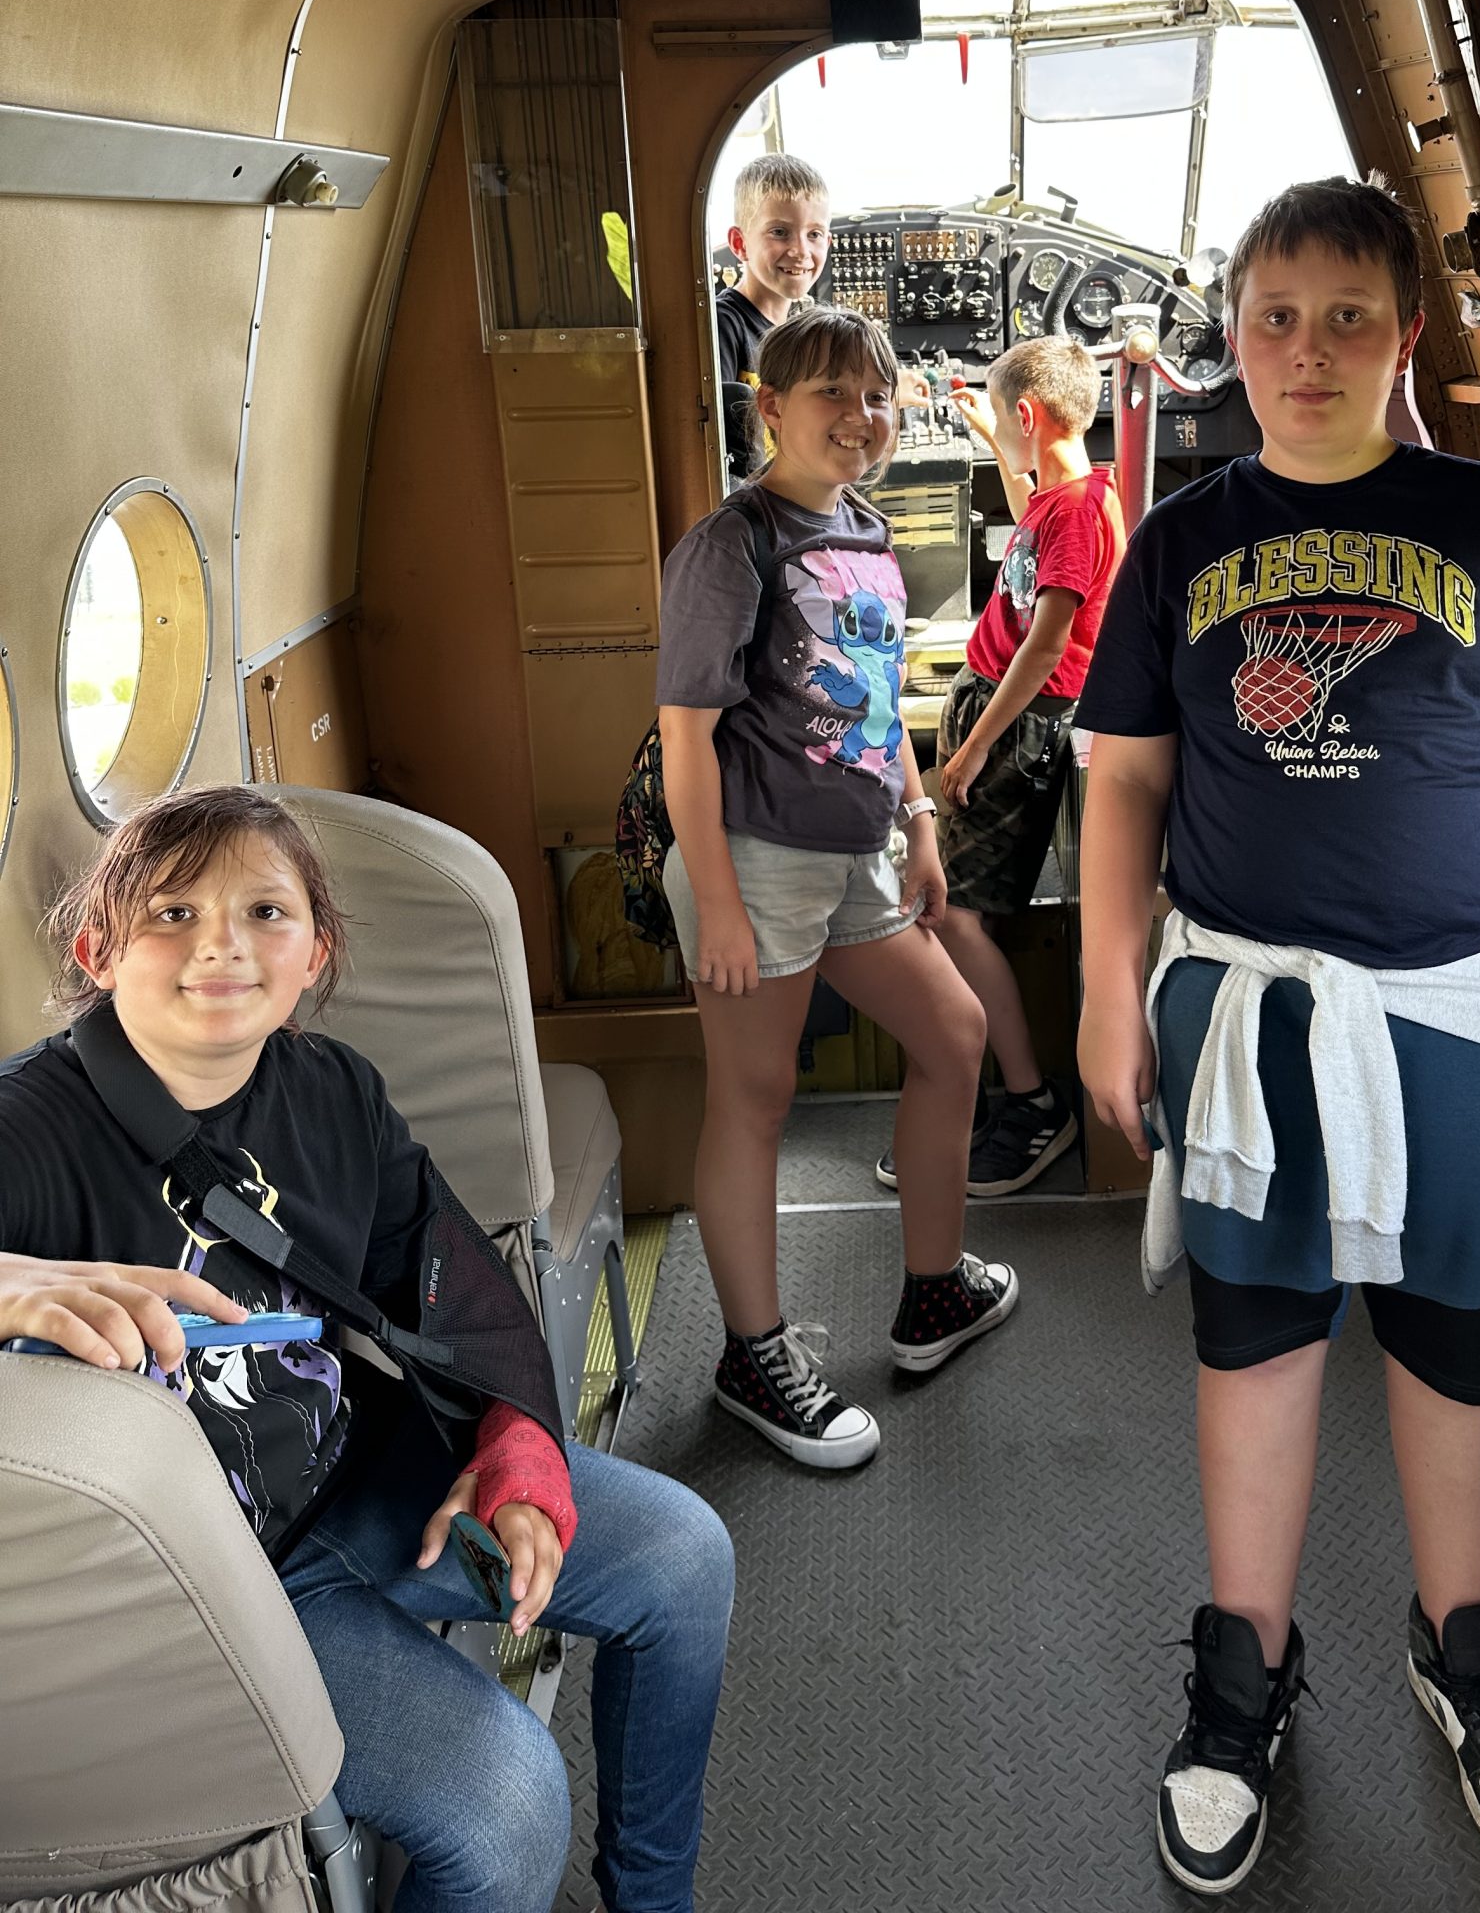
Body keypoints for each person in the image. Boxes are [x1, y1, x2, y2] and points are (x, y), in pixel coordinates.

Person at [1074, 176, 1480, 1895]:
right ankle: (1243, 1674)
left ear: (1405, 336)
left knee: (1457, 1343)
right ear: (1232, 339)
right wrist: (1107, 989)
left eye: (1347, 319)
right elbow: (1126, 785)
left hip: (1461, 1011)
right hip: (1243, 1008)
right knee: (1254, 1341)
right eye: (1276, 318)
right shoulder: (1181, 542)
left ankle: (1465, 1648)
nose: (1308, 351)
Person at [0, 785, 733, 1913]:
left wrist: (518, 1445)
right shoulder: (29, 1127)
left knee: (683, 1557)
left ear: (316, 952)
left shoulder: (334, 1091)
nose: (221, 945)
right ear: (98, 950)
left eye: (264, 912)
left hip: (358, 1474)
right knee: (509, 1807)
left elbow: (451, 1277)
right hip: (208, 1586)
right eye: (173, 914)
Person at [658, 303, 1018, 1471]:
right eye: (832, 394)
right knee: (754, 1100)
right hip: (757, 856)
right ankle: (752, 1356)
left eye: (877, 395)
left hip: (859, 850)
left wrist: (919, 822)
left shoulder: (864, 526)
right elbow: (686, 737)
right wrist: (718, 901)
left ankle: (934, 1290)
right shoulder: (733, 543)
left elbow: (873, 691)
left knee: (954, 1032)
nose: (861, 417)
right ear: (771, 407)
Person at [874, 337, 1125, 1197]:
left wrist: (978, 744)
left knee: (958, 918)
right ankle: (982, 1091)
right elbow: (1029, 514)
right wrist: (988, 430)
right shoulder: (1061, 496)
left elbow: (1048, 640)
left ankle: (1030, 1103)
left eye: (1004, 419)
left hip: (1015, 731)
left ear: (1030, 414)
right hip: (996, 713)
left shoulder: (1080, 513)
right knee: (951, 910)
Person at [714, 152, 832, 485]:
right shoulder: (723, 326)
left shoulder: (801, 330)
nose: (800, 251)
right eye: (780, 232)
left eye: (814, 234)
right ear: (740, 244)